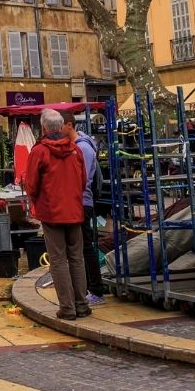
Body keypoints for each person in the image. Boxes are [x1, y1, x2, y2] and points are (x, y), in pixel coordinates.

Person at [22, 109, 89, 320]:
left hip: (51, 212)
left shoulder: (40, 151)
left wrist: (36, 201)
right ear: (61, 127)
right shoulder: (75, 150)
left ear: (43, 128)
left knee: (58, 260)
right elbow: (83, 180)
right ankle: (82, 304)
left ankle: (67, 308)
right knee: (77, 258)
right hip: (74, 211)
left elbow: (31, 184)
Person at [66, 117, 107, 304]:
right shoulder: (80, 145)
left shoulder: (82, 148)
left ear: (68, 125)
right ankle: (89, 288)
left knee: (86, 246)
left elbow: (82, 180)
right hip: (79, 201)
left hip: (82, 202)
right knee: (82, 246)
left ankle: (96, 290)